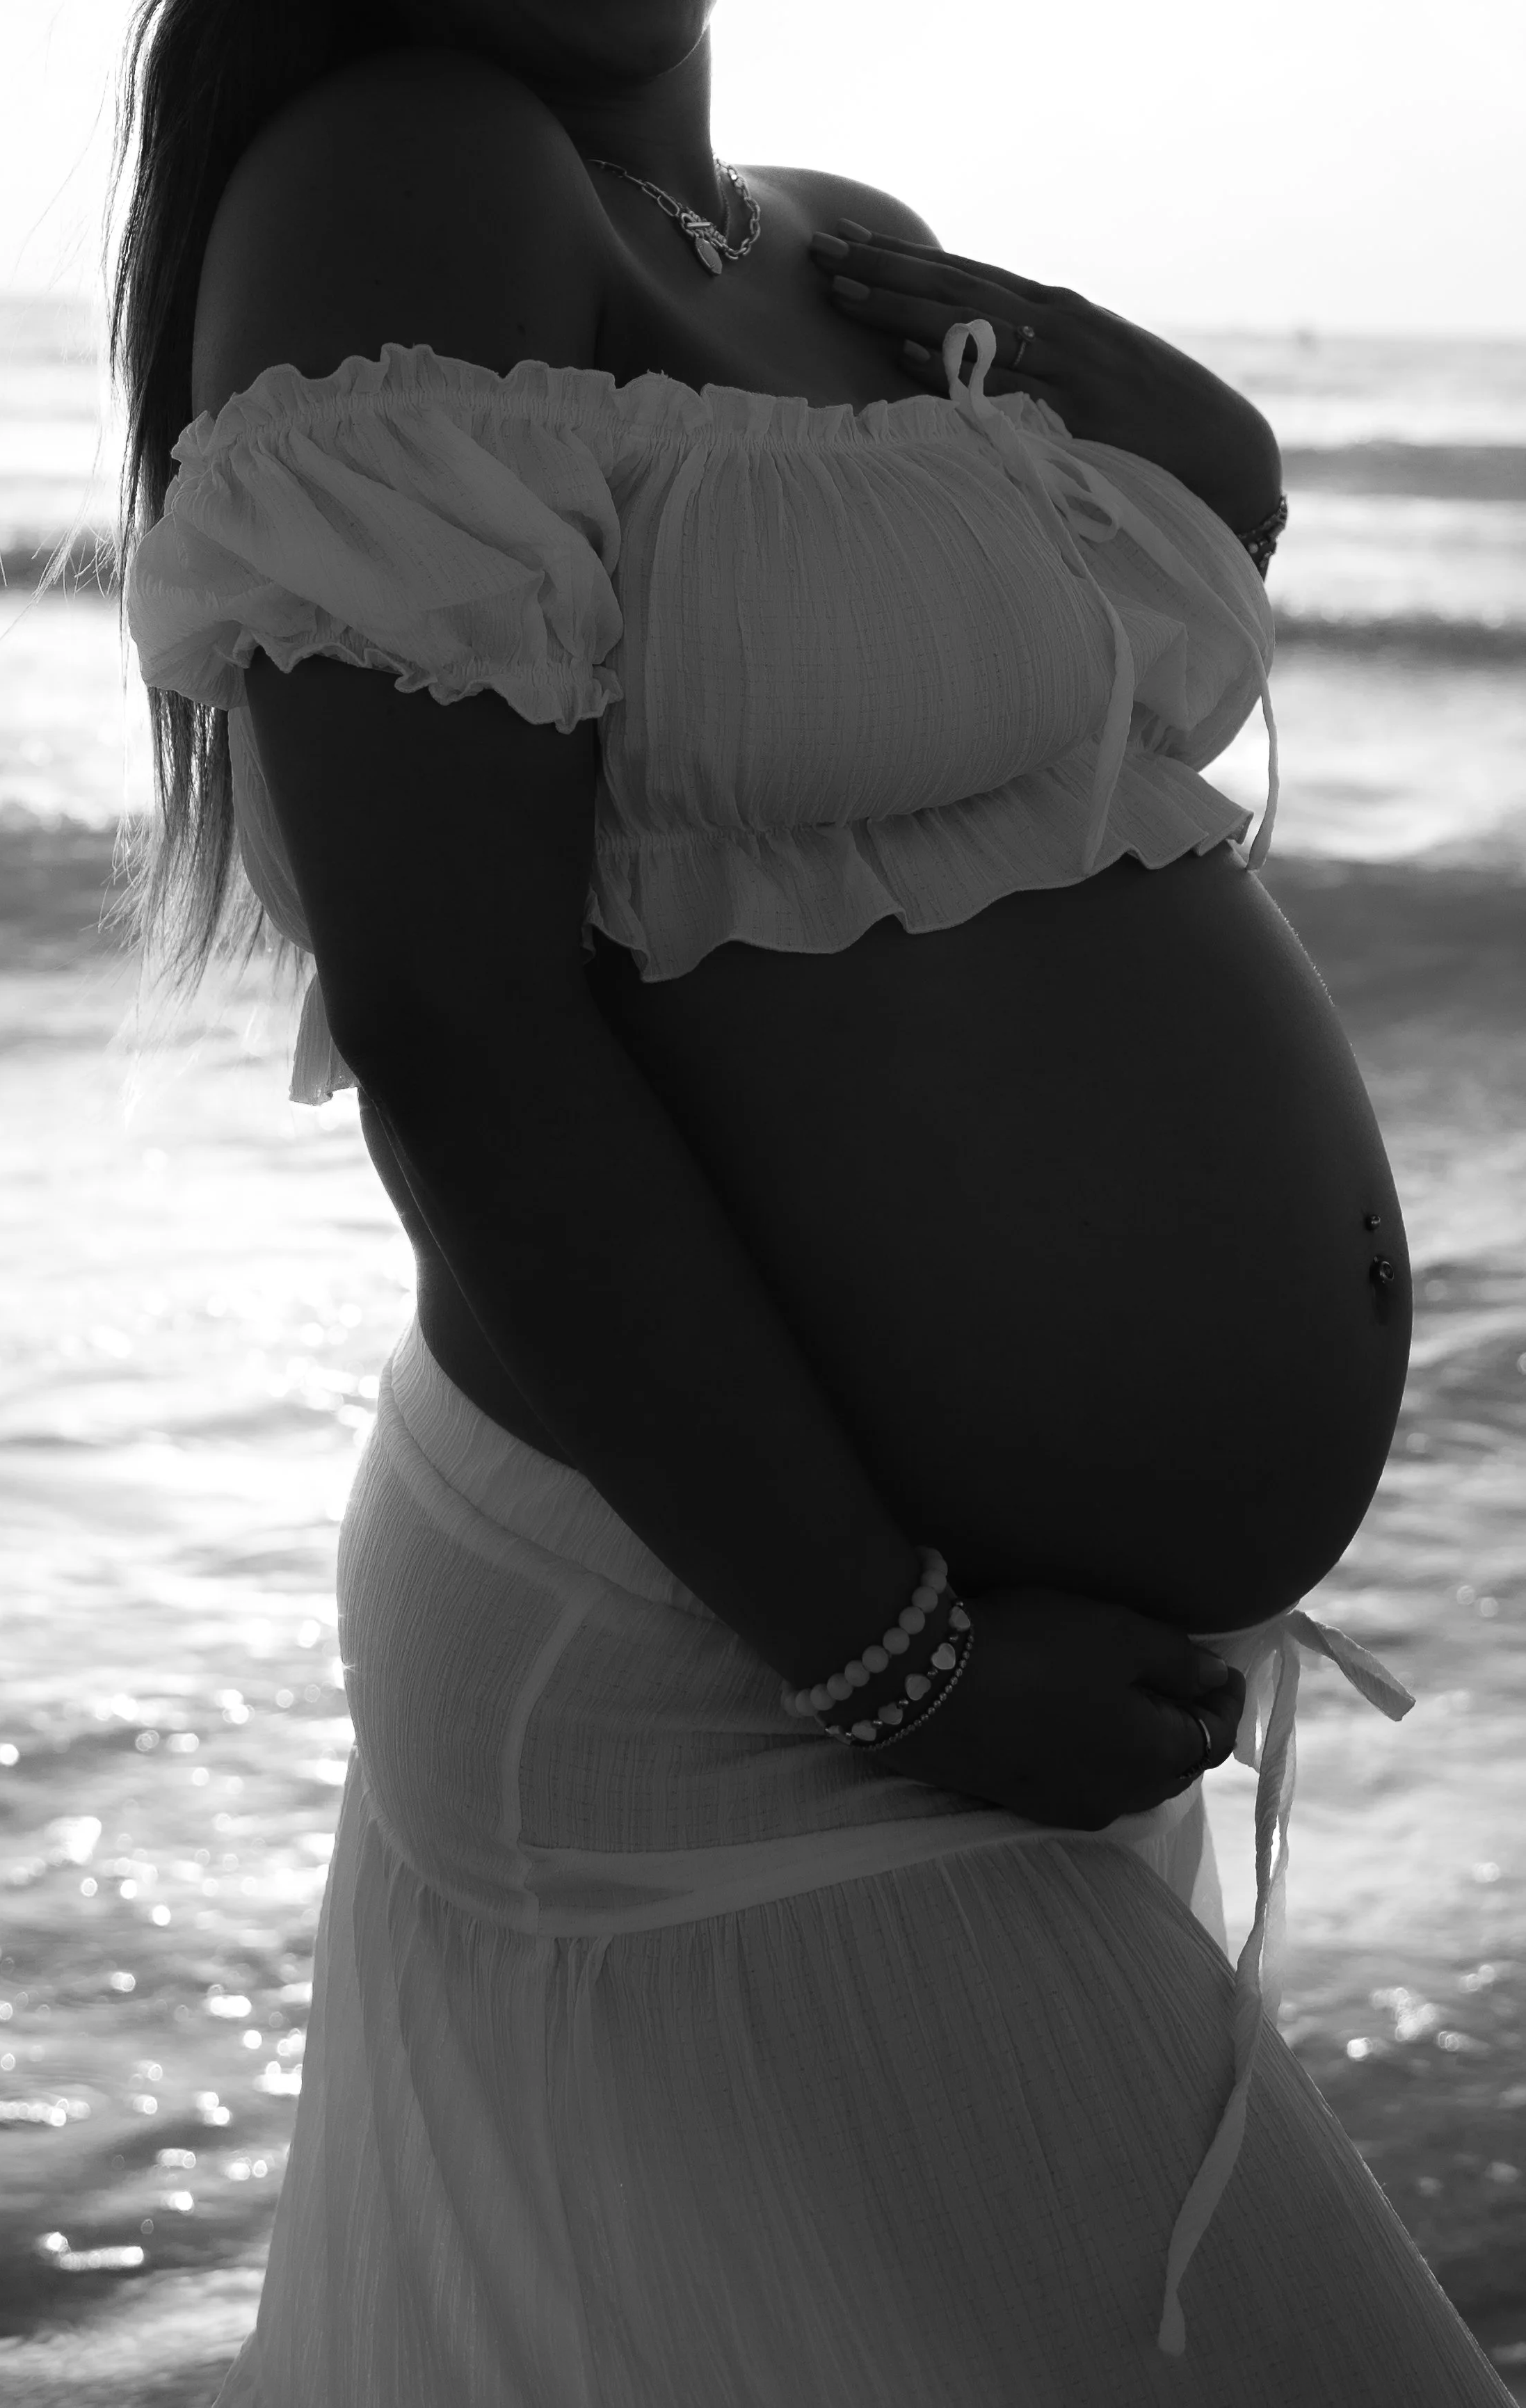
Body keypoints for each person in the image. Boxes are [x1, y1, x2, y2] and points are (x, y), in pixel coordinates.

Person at [111, 3, 1513, 2400]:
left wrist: (1200, 445)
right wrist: (897, 1660)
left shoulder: (827, 245)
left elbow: (1005, 738)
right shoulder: (411, 164)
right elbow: (457, 1030)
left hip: (872, 1639)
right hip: (731, 1646)